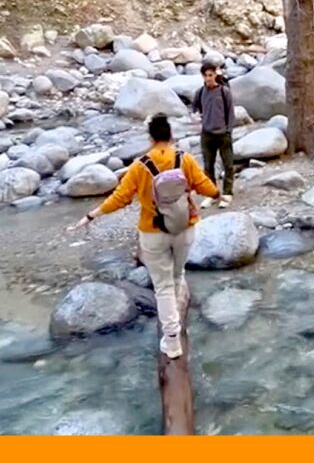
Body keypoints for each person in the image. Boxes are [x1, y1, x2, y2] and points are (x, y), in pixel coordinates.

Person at [67, 114, 222, 359]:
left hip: (153, 233)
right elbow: (208, 187)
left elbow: (120, 197)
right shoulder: (185, 159)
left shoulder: (140, 166)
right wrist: (211, 195)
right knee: (177, 276)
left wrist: (91, 215)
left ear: (150, 138)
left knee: (162, 287)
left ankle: (172, 341)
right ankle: (179, 316)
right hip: (184, 228)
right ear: (171, 136)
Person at [191, 62, 235, 208]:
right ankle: (212, 194)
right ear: (202, 76)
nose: (208, 78)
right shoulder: (200, 92)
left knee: (228, 164)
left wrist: (228, 130)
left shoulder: (224, 92)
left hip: (223, 134)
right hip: (207, 134)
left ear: (215, 75)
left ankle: (227, 193)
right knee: (208, 166)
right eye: (206, 75)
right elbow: (195, 108)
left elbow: (230, 112)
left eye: (211, 75)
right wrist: (197, 118)